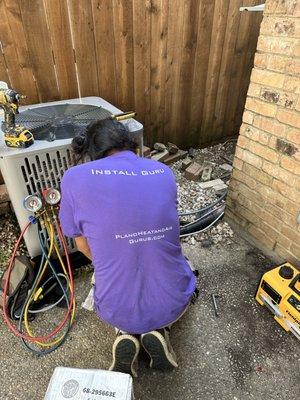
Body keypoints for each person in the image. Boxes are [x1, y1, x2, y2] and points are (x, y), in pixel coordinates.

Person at [59, 118, 196, 377]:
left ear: (91, 150)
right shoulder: (162, 171)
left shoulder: (74, 177)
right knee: (179, 263)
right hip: (173, 303)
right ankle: (158, 330)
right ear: (130, 144)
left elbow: (82, 245)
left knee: (107, 272)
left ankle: (125, 332)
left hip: (115, 309)